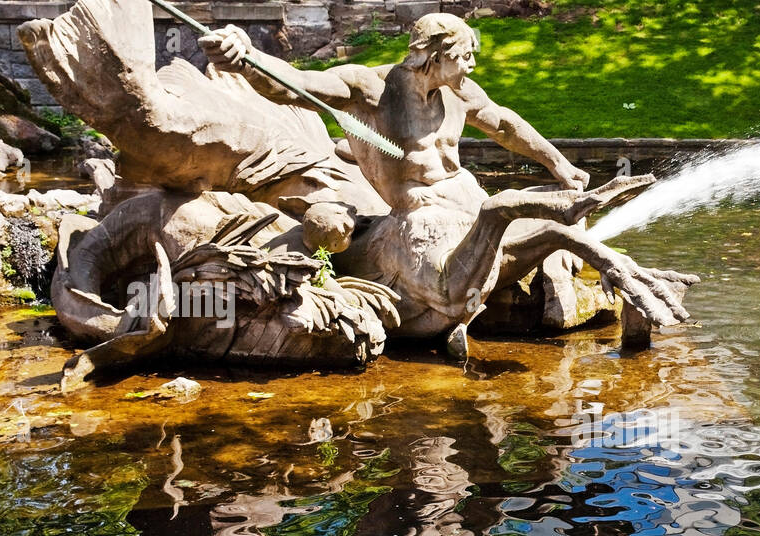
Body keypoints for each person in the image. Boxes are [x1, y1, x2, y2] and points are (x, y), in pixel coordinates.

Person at [199, 13, 695, 355]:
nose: (474, 64)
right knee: (519, 225)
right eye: (466, 54)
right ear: (433, 54)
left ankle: (626, 279)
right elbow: (297, 84)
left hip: (468, 199)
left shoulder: (459, 92)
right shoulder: (370, 88)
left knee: (555, 220)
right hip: (419, 221)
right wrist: (245, 58)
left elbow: (505, 125)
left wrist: (560, 166)